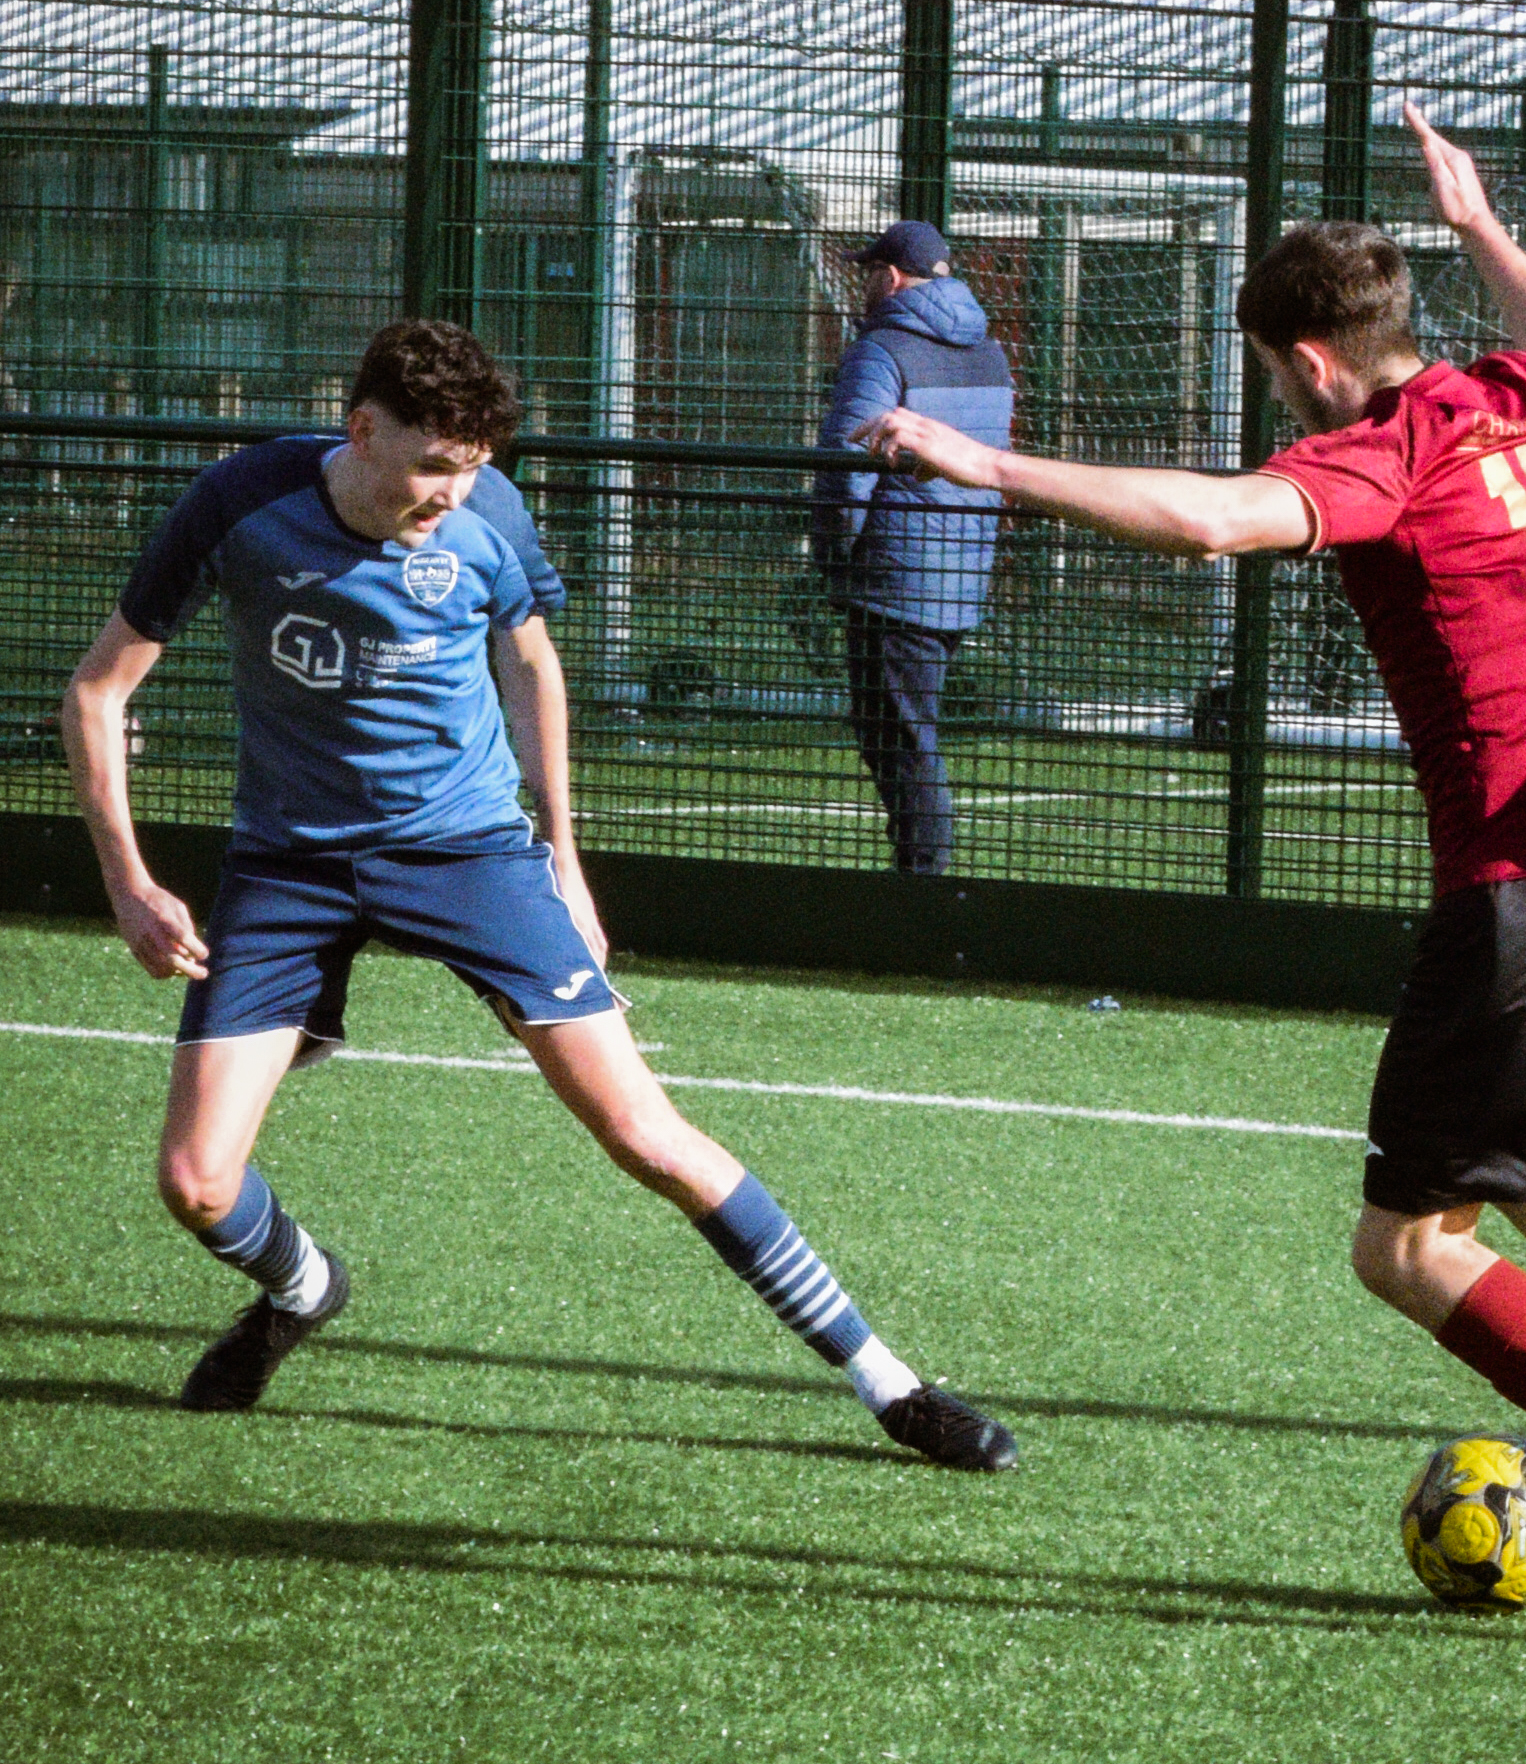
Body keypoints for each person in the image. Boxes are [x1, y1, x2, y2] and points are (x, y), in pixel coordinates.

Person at [863, 105, 1526, 1642]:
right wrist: (1479, 220)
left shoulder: (1378, 455)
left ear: (1303, 360)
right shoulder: (1515, 396)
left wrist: (979, 458)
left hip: (1524, 899)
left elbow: (1211, 522)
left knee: (1408, 1247)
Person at [60, 317, 1016, 1471]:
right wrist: (130, 885)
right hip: (290, 862)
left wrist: (563, 853)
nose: (450, 499)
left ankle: (892, 1385)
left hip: (467, 851)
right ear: (359, 430)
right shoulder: (238, 505)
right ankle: (302, 1290)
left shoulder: (488, 512)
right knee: (196, 1185)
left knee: (644, 1135)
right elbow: (98, 692)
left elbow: (530, 662)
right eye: (429, 469)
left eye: (470, 472)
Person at [810, 219, 1014, 876]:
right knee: (908, 732)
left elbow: (848, 464)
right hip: (960, 575)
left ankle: (921, 884)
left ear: (890, 277)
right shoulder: (991, 349)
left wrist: (833, 556)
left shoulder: (880, 348)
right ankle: (920, 872)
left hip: (893, 578)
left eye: (869, 270)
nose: (864, 282)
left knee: (899, 740)